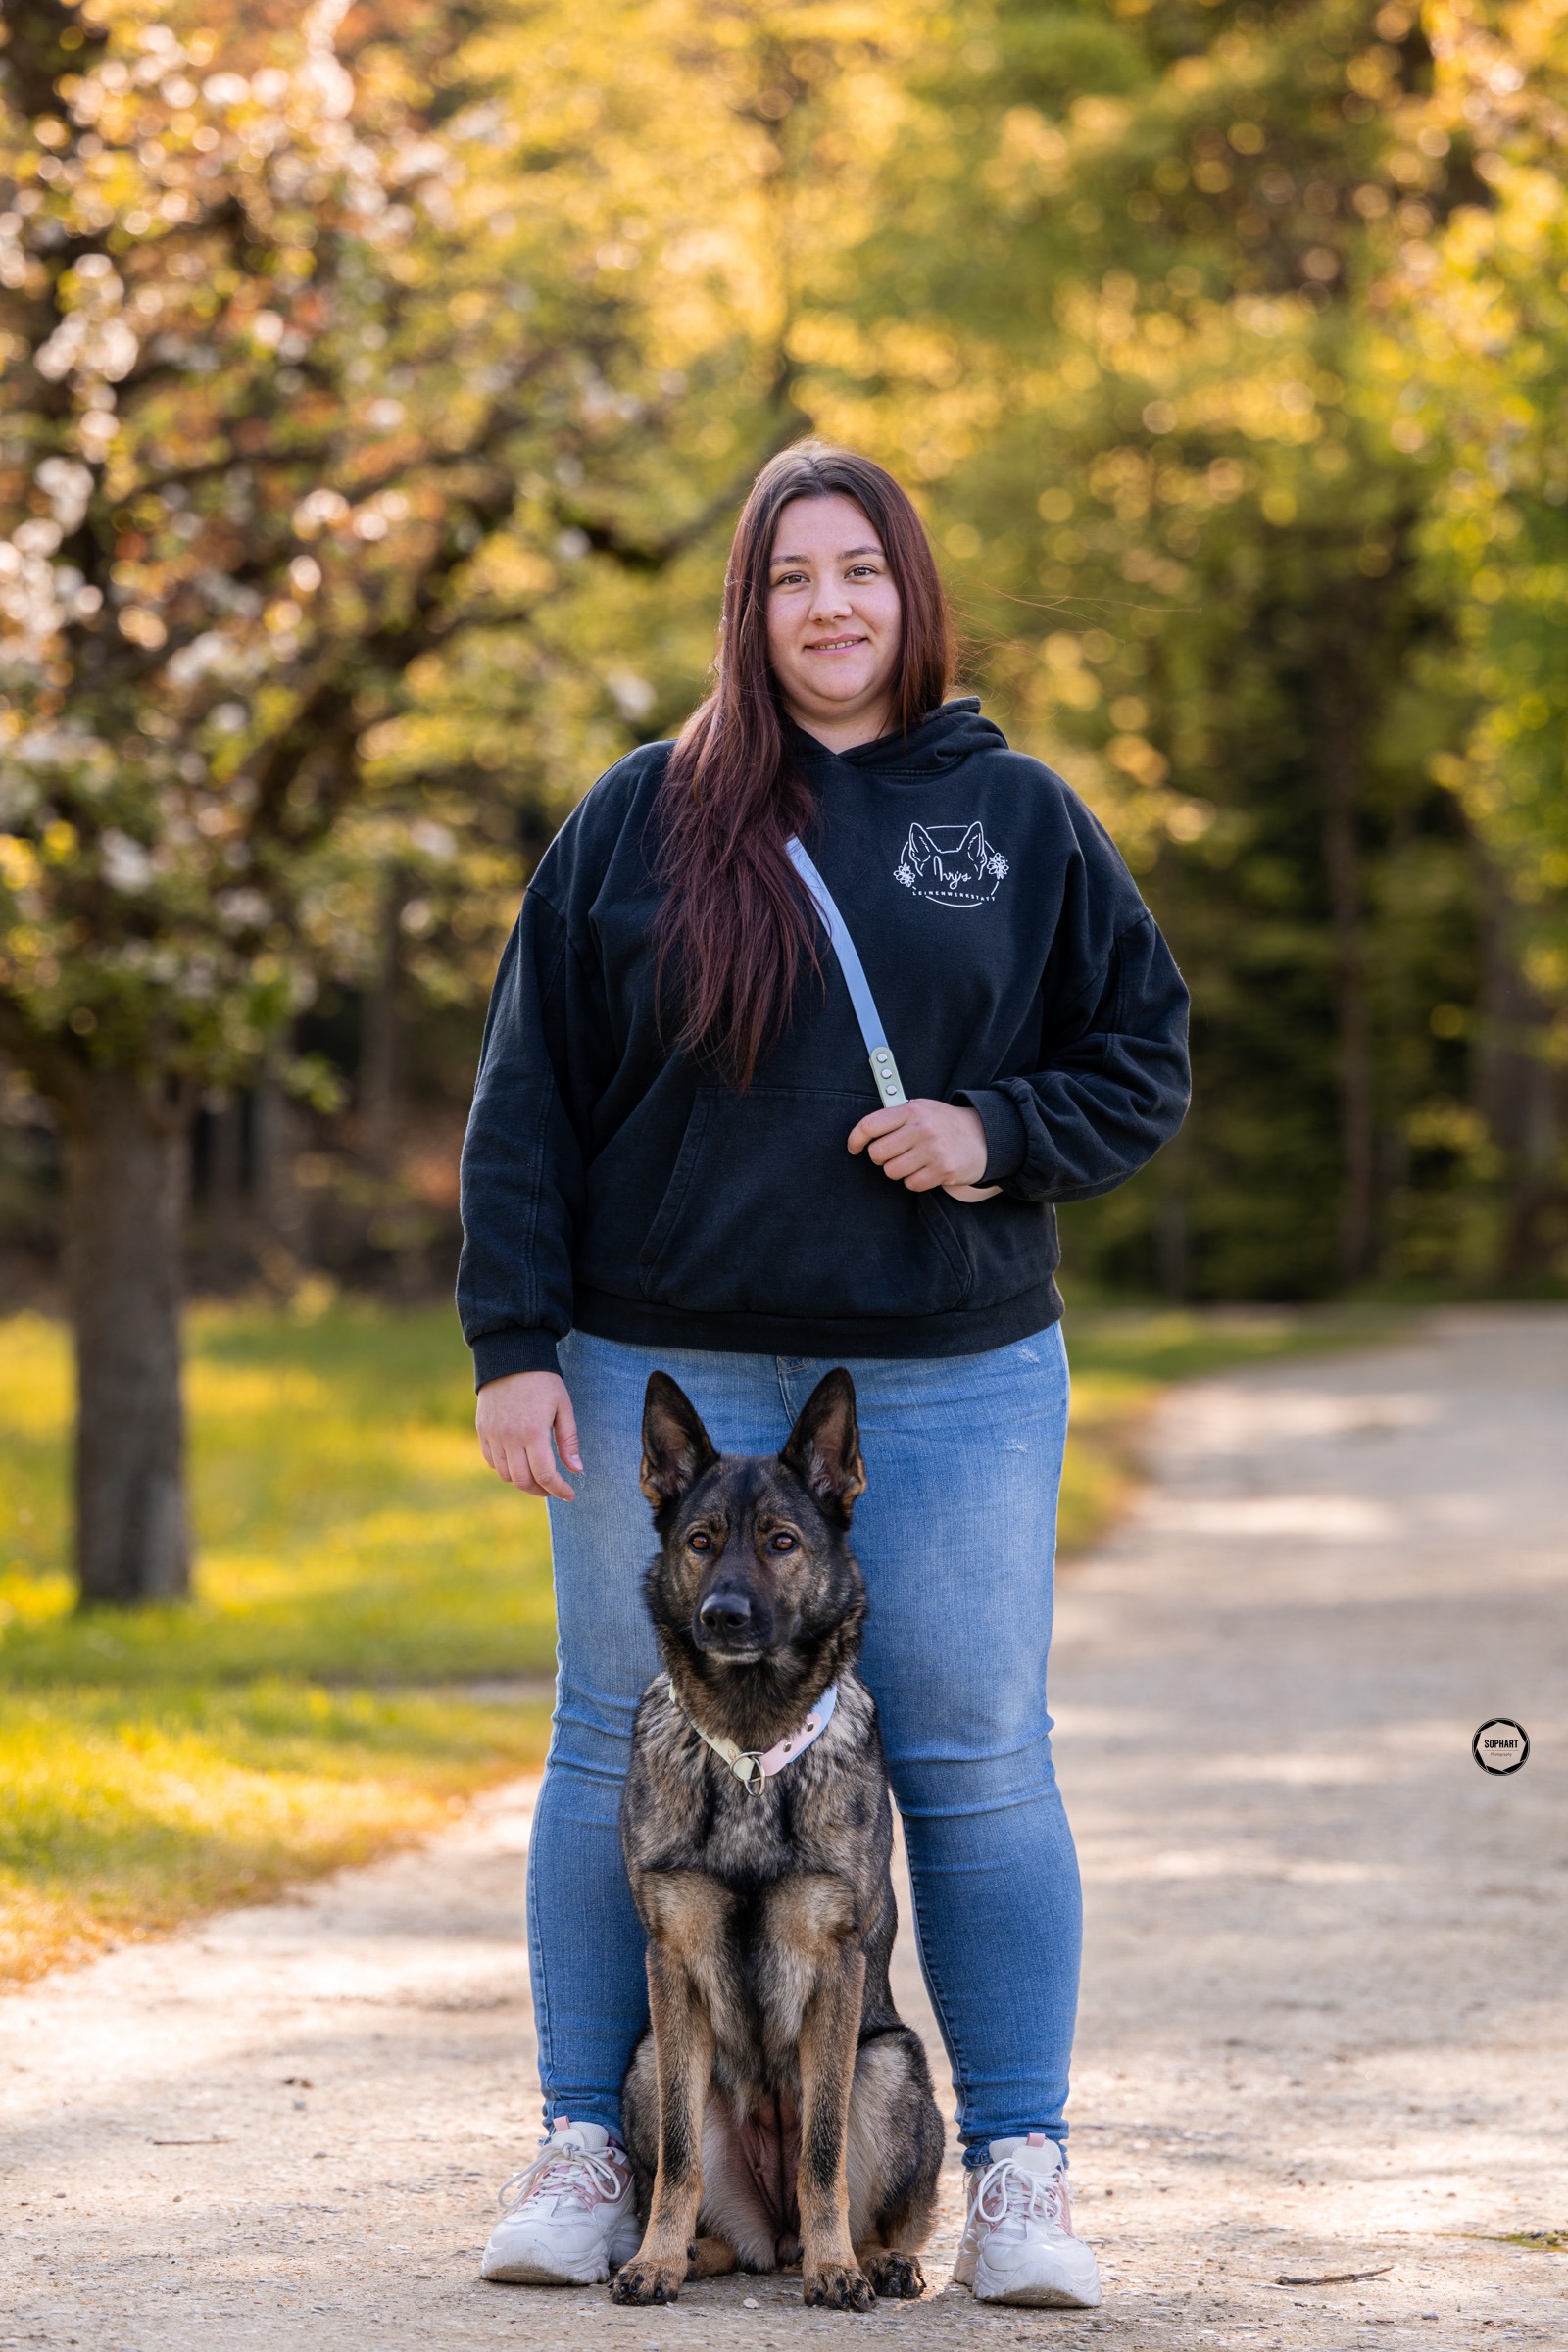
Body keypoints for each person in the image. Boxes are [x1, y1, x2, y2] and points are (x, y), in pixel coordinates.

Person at [457, 442, 1189, 2308]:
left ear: (911, 591)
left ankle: (1023, 2171)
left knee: (973, 1760)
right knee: (608, 1742)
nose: (831, 608)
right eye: (792, 578)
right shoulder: (641, 816)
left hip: (942, 1371)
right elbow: (528, 1089)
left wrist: (995, 1129)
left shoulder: (1016, 814)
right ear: (748, 605)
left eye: (861, 570)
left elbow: (1147, 1055)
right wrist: (515, 1346)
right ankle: (584, 2149)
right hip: (665, 1352)